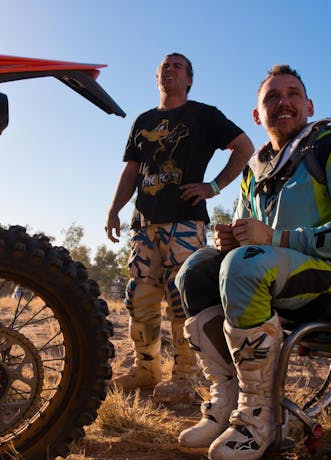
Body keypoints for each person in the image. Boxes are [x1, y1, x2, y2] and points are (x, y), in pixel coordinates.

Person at [174, 65, 331, 460]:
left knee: (245, 264)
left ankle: (259, 418)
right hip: (273, 272)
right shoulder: (255, 168)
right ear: (257, 115)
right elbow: (248, 236)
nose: (282, 101)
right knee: (196, 268)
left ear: (309, 105)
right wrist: (230, 239)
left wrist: (275, 239)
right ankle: (228, 400)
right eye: (271, 97)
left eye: (292, 94)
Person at [105, 53, 254, 406]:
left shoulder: (203, 115)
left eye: (178, 66)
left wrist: (213, 187)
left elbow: (245, 147)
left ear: (189, 80)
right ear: (156, 76)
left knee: (181, 301)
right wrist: (114, 210)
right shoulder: (142, 121)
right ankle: (146, 369)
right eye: (164, 66)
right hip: (143, 225)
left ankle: (185, 379)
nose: (169, 69)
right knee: (138, 299)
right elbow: (131, 172)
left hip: (185, 223)